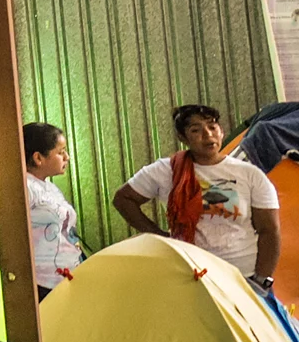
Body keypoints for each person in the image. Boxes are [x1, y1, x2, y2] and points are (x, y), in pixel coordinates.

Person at [114, 104, 280, 288]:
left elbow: (269, 231)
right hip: (189, 275)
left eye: (212, 127)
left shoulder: (250, 174)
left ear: (221, 131)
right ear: (182, 138)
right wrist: (159, 236)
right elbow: (123, 199)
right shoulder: (165, 171)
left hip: (241, 277)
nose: (208, 135)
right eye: (196, 130)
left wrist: (261, 280)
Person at [23, 122, 83, 299]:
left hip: (65, 275)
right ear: (38, 158)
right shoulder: (26, 188)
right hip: (43, 283)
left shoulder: (48, 186)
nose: (67, 157)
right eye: (60, 152)